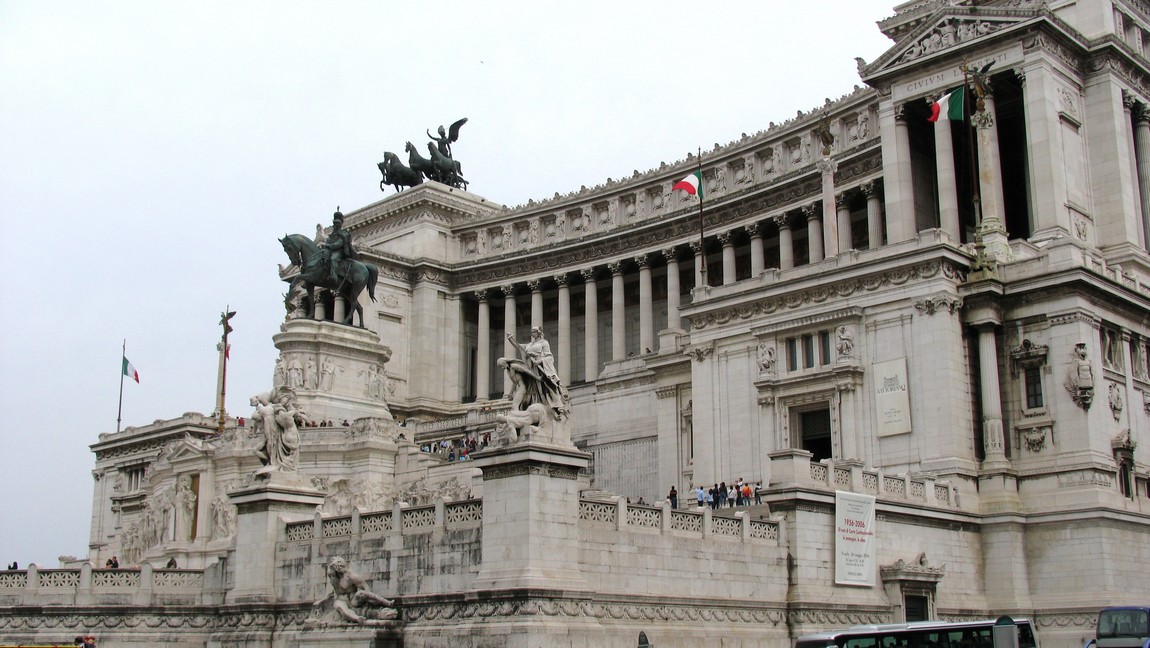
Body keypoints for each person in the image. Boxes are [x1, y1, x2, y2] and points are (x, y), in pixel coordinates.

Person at [323, 210, 356, 284]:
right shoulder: (332, 234)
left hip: (339, 252)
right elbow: (328, 241)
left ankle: (333, 275)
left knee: (333, 259)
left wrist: (330, 246)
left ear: (340, 224)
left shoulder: (343, 233)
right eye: (334, 223)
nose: (335, 225)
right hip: (330, 250)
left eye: (337, 223)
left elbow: (340, 243)